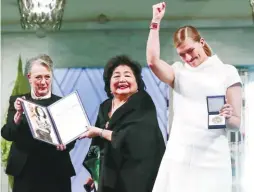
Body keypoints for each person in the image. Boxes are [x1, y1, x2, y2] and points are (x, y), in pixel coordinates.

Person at [146, 2, 242, 192]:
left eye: (190, 50)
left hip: (213, 158)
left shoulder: (227, 72)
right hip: (180, 154)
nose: (188, 58)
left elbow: (236, 123)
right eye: (182, 55)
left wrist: (228, 115)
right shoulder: (178, 72)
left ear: (202, 42)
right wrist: (155, 22)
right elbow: (152, 62)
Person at [79, 55, 166, 192]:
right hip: (108, 174)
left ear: (137, 82)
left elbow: (133, 137)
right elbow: (97, 144)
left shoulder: (143, 102)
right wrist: (94, 172)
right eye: (116, 76)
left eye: (127, 75)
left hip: (137, 176)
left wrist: (100, 132)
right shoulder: (105, 107)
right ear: (109, 83)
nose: (122, 80)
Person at [1, 54, 76, 192]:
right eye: (38, 77)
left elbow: (72, 138)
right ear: (29, 78)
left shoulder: (62, 103)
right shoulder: (17, 101)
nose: (43, 82)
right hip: (25, 171)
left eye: (47, 77)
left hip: (56, 170)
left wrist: (66, 143)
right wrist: (18, 114)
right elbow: (7, 134)